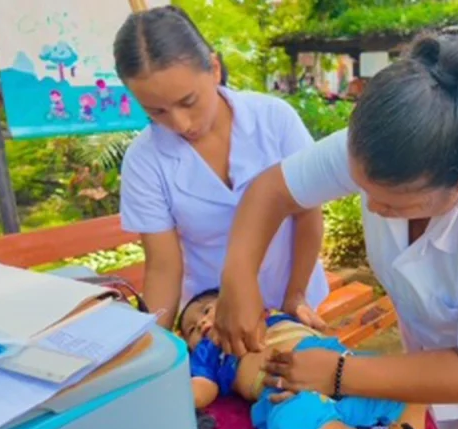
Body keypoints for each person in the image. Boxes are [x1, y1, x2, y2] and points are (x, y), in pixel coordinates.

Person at [213, 34, 458, 429]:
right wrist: (238, 279)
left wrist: (337, 372)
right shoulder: (386, 149)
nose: (375, 209)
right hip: (433, 366)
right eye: (365, 190)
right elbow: (271, 191)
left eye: (395, 204)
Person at [113, 5, 329, 329]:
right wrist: (156, 349)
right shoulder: (145, 160)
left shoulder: (274, 119)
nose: (180, 123)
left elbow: (308, 213)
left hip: (293, 295)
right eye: (156, 111)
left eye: (188, 102)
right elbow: (163, 267)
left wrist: (295, 296)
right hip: (213, 313)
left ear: (213, 68)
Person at [179, 289, 425, 429]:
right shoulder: (210, 352)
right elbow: (201, 391)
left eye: (207, 310)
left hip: (341, 364)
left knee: (404, 382)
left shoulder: (266, 317)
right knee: (292, 421)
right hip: (289, 389)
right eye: (192, 330)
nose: (201, 323)